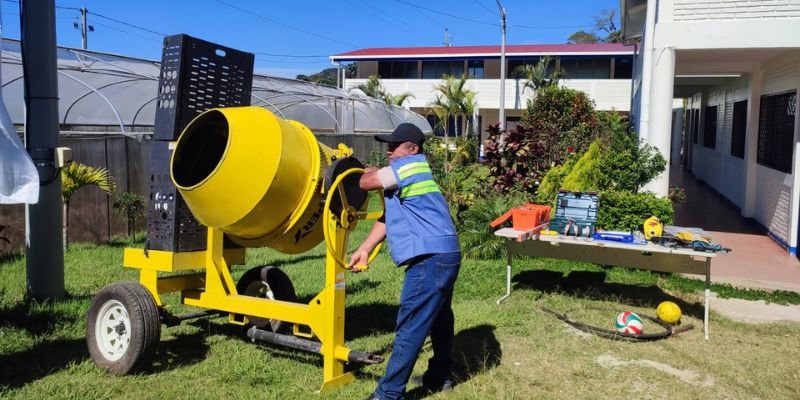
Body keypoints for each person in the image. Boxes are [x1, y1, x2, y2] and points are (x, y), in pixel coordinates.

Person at [348, 123, 461, 400]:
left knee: (411, 324)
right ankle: (440, 375)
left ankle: (388, 394)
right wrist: (365, 248)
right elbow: (388, 218)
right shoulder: (412, 173)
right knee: (438, 318)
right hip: (445, 253)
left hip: (430, 258)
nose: (388, 152)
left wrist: (359, 169)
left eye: (393, 146)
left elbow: (364, 182)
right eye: (387, 146)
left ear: (413, 148)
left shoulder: (411, 166)